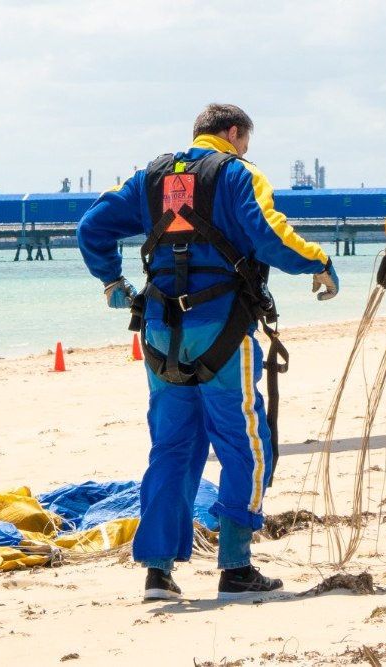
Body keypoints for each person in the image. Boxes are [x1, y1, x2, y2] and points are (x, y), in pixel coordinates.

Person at [76, 103, 338, 601]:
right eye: (244, 142)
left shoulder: (150, 177)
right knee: (245, 443)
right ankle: (236, 567)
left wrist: (111, 279)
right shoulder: (237, 175)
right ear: (234, 133)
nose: (244, 150)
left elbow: (91, 226)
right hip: (220, 327)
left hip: (157, 333)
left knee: (172, 447)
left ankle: (157, 572)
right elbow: (268, 233)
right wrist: (319, 262)